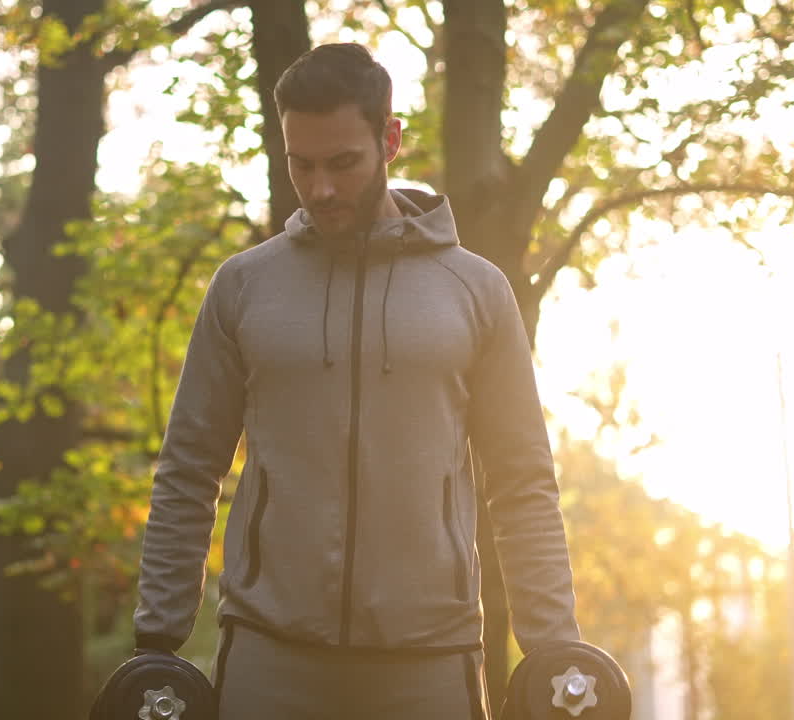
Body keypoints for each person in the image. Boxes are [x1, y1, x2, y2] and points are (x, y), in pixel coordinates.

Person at [132, 43, 579, 720]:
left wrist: (552, 647)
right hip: (269, 654)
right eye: (301, 165)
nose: (321, 189)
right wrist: (156, 642)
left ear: (389, 140)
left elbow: (522, 479)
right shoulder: (245, 287)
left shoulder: (476, 291)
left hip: (429, 658)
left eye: (343, 162)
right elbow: (190, 467)